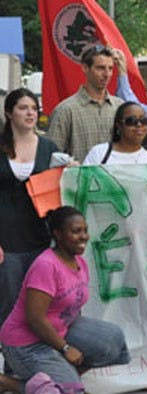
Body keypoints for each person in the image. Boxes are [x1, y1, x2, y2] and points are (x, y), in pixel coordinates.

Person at [0, 206, 130, 394]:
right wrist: (65, 348)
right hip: (25, 345)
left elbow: (72, 305)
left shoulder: (79, 262)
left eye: (85, 230)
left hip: (56, 332)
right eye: (76, 231)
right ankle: (8, 383)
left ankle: (65, 378)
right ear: (58, 235)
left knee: (114, 340)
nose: (84, 236)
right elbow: (34, 318)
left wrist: (73, 347)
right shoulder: (46, 266)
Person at [0, 89, 59, 372]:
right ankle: (12, 370)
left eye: (34, 108)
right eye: (23, 108)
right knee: (9, 307)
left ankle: (40, 367)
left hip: (41, 238)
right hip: (6, 241)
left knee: (40, 308)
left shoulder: (49, 148)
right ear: (9, 112)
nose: (30, 113)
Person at [47, 45, 123, 162]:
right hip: (79, 179)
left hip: (115, 178)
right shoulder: (66, 110)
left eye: (110, 68)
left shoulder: (120, 107)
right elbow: (52, 156)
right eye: (100, 68)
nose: (107, 74)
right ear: (85, 68)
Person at [83, 101, 147, 165]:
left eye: (144, 120)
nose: (139, 125)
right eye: (131, 121)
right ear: (119, 125)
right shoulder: (99, 153)